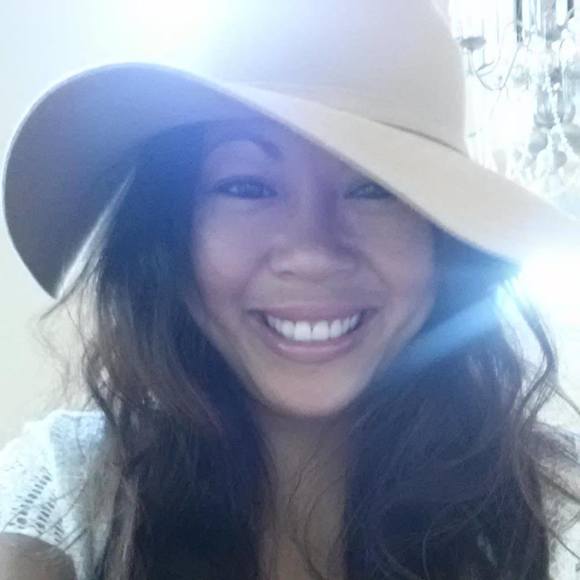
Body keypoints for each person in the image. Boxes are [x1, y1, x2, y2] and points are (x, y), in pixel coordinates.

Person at [1, 1, 580, 579]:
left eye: (374, 189)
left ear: (443, 240)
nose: (311, 254)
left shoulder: (554, 513)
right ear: (169, 234)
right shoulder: (71, 488)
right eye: (248, 187)